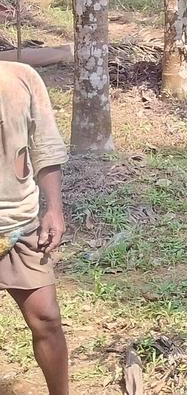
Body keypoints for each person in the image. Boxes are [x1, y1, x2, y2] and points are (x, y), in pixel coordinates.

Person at [0, 62, 70, 394]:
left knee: (46, 318)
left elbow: (44, 147)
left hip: (19, 225)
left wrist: (53, 208)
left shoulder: (22, 77)